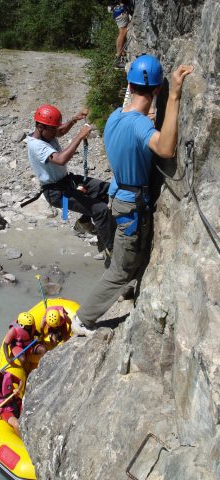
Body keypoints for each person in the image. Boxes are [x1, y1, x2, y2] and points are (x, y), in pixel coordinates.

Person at [71, 54, 194, 336]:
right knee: (121, 270)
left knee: (126, 256)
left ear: (130, 84)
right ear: (156, 91)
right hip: (131, 205)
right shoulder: (141, 126)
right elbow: (165, 149)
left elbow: (137, 124)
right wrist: (174, 97)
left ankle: (122, 291)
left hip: (118, 197)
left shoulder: (116, 116)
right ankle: (83, 319)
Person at [27, 104, 115, 257]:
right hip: (56, 193)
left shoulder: (47, 133)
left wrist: (74, 120)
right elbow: (60, 159)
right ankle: (112, 249)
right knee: (100, 210)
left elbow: (60, 131)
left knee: (106, 189)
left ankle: (83, 222)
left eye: (56, 128)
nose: (56, 131)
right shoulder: (36, 146)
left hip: (67, 181)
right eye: (53, 129)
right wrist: (80, 136)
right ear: (40, 127)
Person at [107, 1, 133, 69]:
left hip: (118, 10)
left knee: (123, 33)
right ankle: (118, 58)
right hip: (120, 10)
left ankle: (121, 56)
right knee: (122, 32)